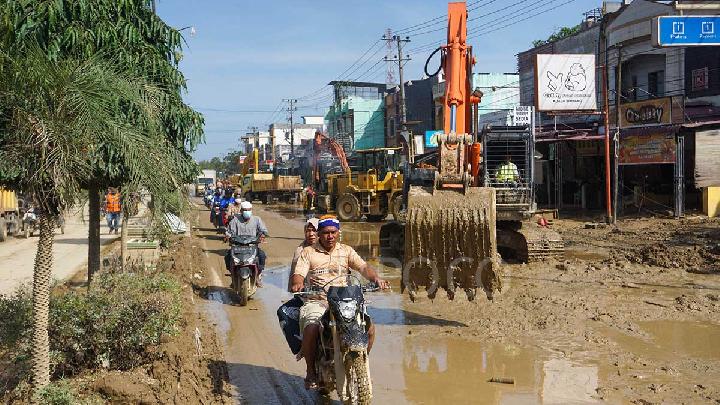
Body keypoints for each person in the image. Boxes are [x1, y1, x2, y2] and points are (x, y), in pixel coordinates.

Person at [290, 216, 390, 390]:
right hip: (318, 300)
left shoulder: (346, 250)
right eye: (326, 233)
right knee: (311, 328)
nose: (330, 236)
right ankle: (310, 371)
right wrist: (298, 283)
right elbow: (299, 274)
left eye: (333, 232)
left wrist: (376, 279)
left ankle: (361, 363)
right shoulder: (308, 252)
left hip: (345, 300)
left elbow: (363, 267)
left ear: (338, 233)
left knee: (369, 328)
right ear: (319, 234)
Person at [224, 201, 269, 286]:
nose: (247, 212)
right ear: (241, 211)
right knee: (228, 256)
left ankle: (258, 275)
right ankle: (233, 275)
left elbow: (264, 230)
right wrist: (227, 236)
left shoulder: (257, 219)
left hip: (252, 246)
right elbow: (229, 231)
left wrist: (262, 235)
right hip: (238, 246)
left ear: (251, 210)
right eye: (245, 210)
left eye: (249, 210)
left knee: (262, 255)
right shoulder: (235, 220)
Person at [287, 218, 319, 292]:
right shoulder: (300, 251)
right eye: (308, 231)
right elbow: (295, 273)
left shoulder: (329, 248)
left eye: (314, 230)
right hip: (307, 291)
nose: (311, 234)